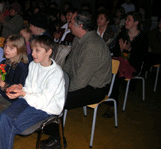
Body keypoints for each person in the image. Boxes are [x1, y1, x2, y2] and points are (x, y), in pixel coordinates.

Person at [40, 11, 112, 149]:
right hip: (81, 82)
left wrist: (59, 89)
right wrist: (57, 79)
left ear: (81, 25)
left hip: (94, 89)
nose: (69, 24)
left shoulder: (92, 46)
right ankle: (50, 127)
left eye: (72, 22)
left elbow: (80, 82)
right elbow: (69, 64)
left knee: (53, 100)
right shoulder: (80, 39)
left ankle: (58, 139)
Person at [0, 35, 65, 149]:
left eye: (37, 51)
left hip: (45, 108)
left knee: (11, 124)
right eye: (32, 50)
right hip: (30, 100)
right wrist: (20, 88)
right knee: (3, 118)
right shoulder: (33, 65)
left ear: (49, 52)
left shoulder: (56, 74)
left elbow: (43, 101)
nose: (32, 54)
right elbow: (30, 89)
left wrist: (23, 93)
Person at [103, 11, 149, 118]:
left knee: (115, 73)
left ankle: (112, 105)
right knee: (107, 67)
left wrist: (127, 52)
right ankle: (102, 95)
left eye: (129, 20)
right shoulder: (123, 34)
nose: (126, 22)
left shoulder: (142, 37)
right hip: (120, 63)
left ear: (136, 22)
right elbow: (115, 51)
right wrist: (122, 50)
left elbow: (140, 58)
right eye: (126, 19)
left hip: (133, 66)